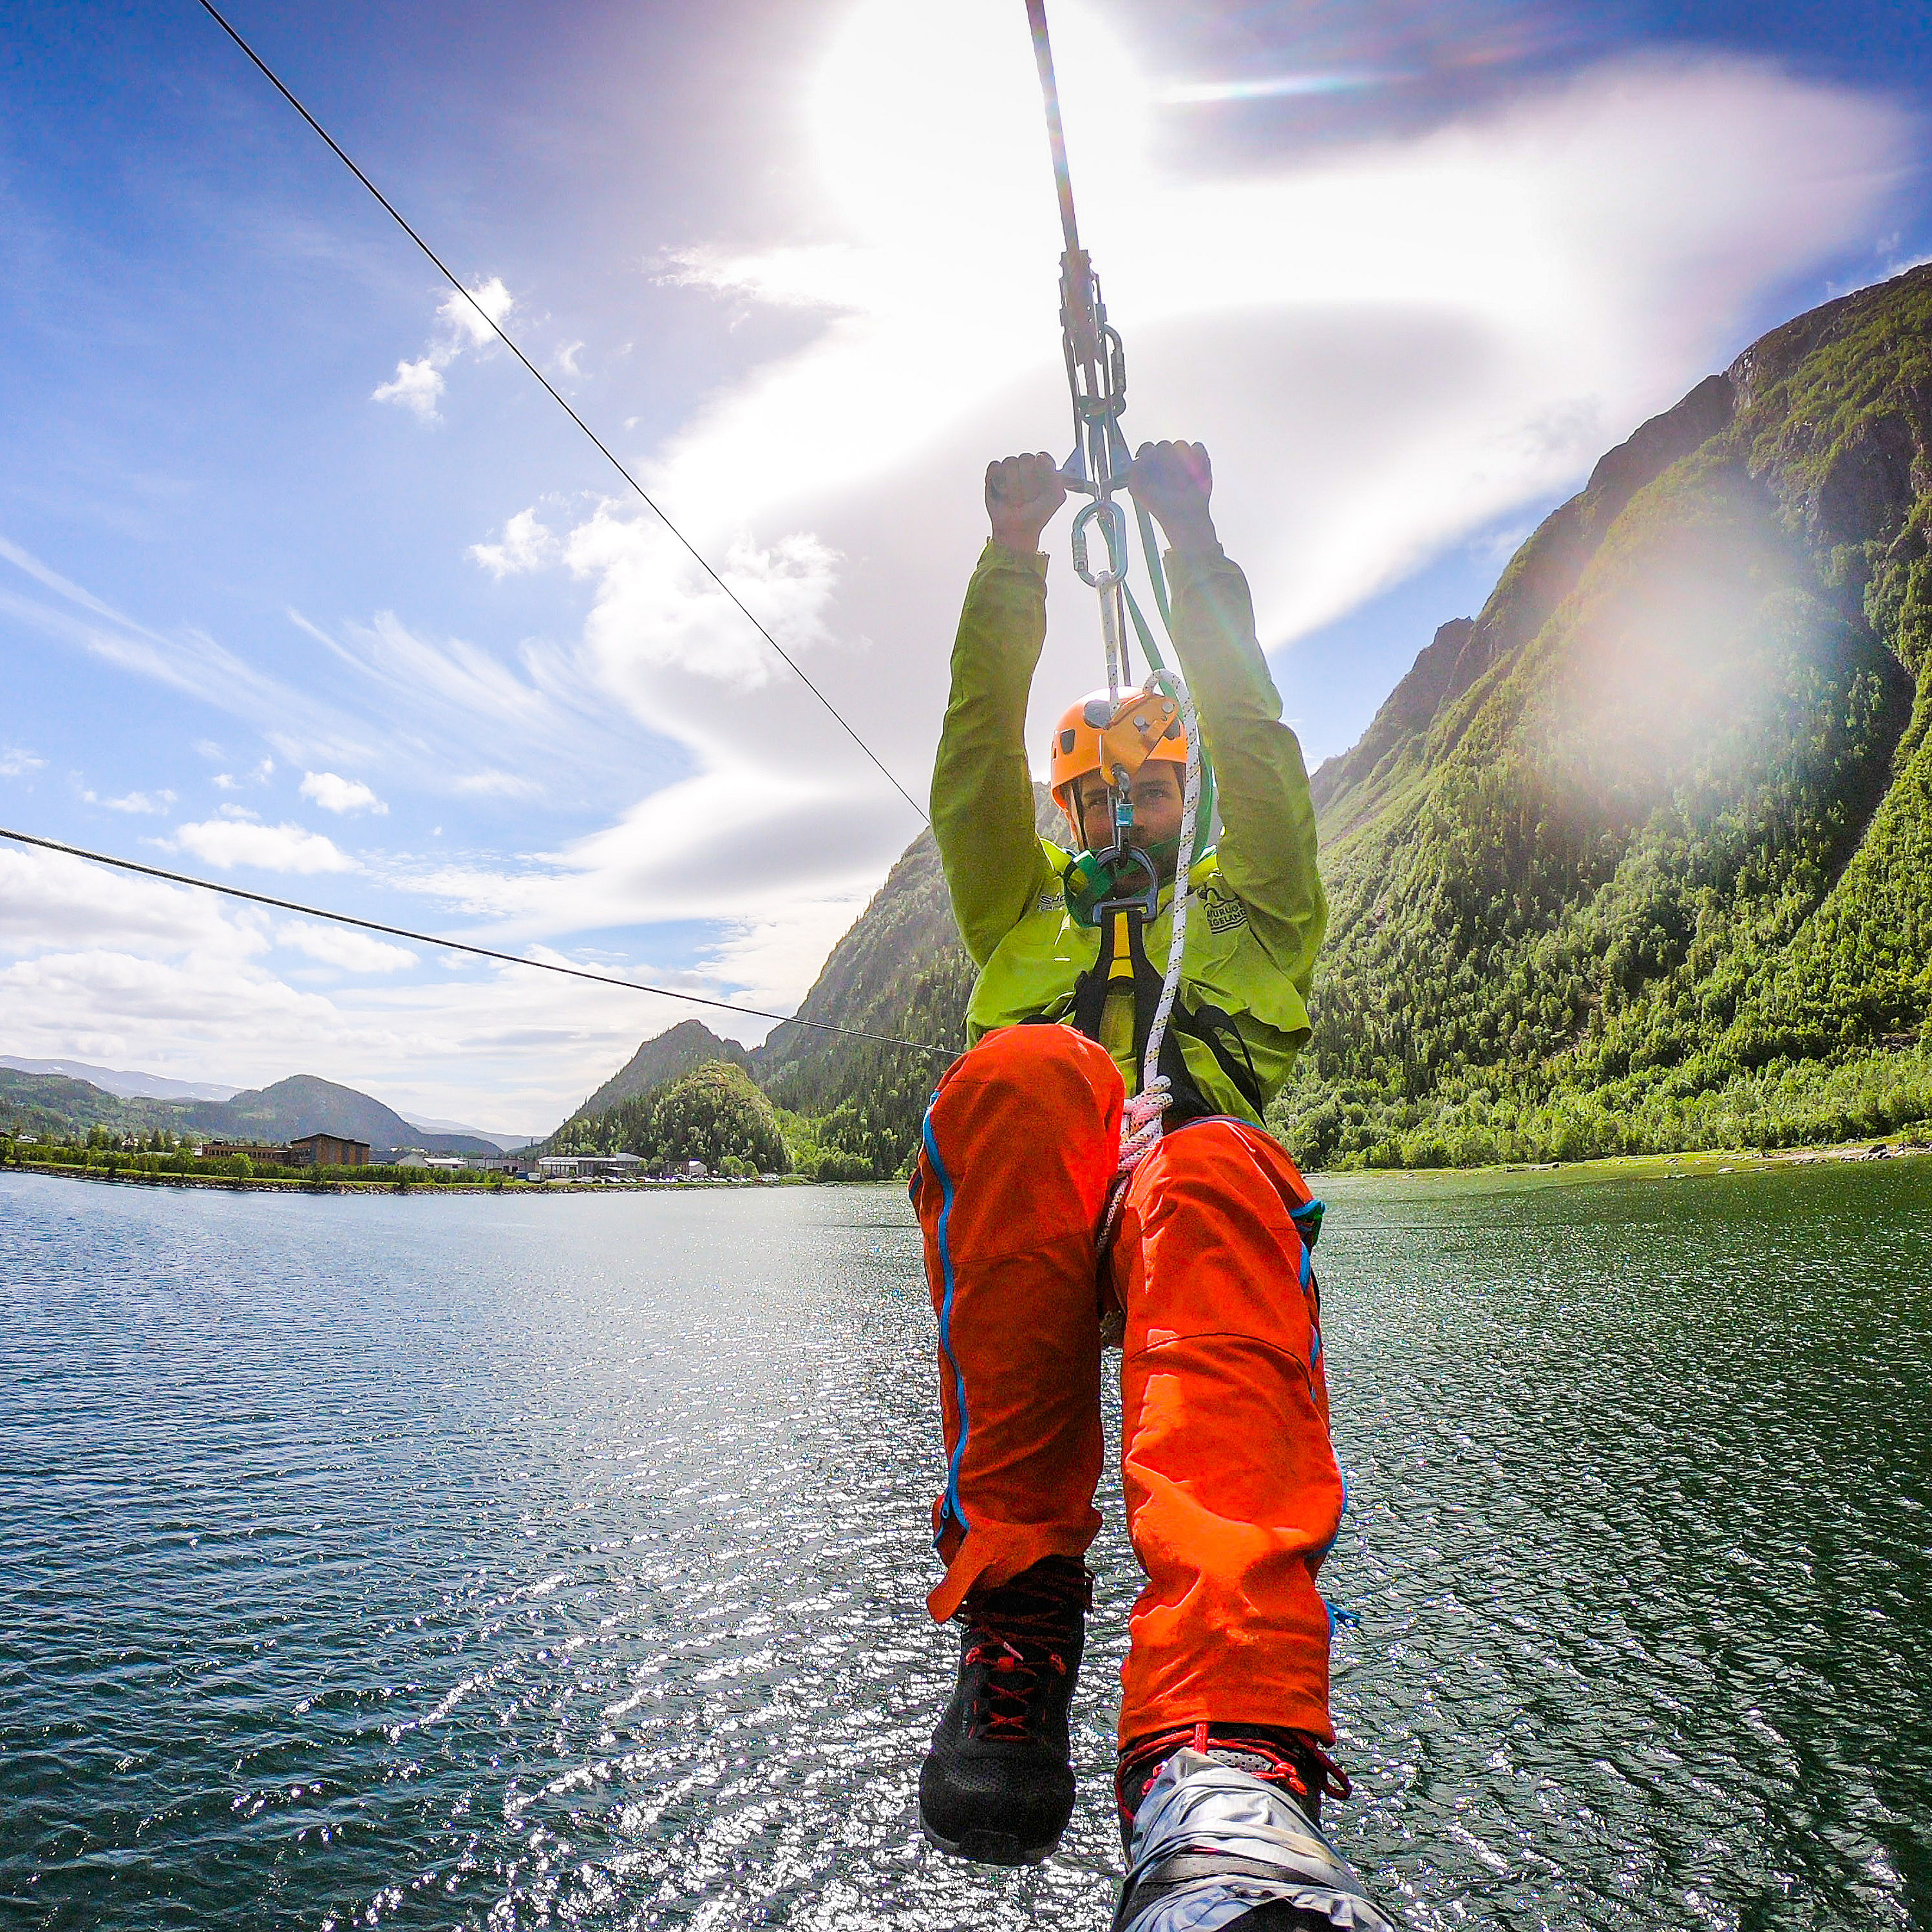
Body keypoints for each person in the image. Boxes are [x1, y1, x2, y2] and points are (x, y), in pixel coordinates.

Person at [912, 440, 1379, 1927]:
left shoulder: (1256, 908)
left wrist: (1190, 541)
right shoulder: (1019, 915)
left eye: (1152, 796)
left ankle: (1222, 1749)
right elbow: (973, 757)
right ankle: (1023, 1619)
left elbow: (1257, 728)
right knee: (1021, 1078)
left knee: (1217, 1159)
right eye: (1096, 803)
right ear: (1066, 816)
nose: (1123, 823)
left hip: (1188, 1225)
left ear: (1189, 798)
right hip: (1042, 1222)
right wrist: (1010, 555)